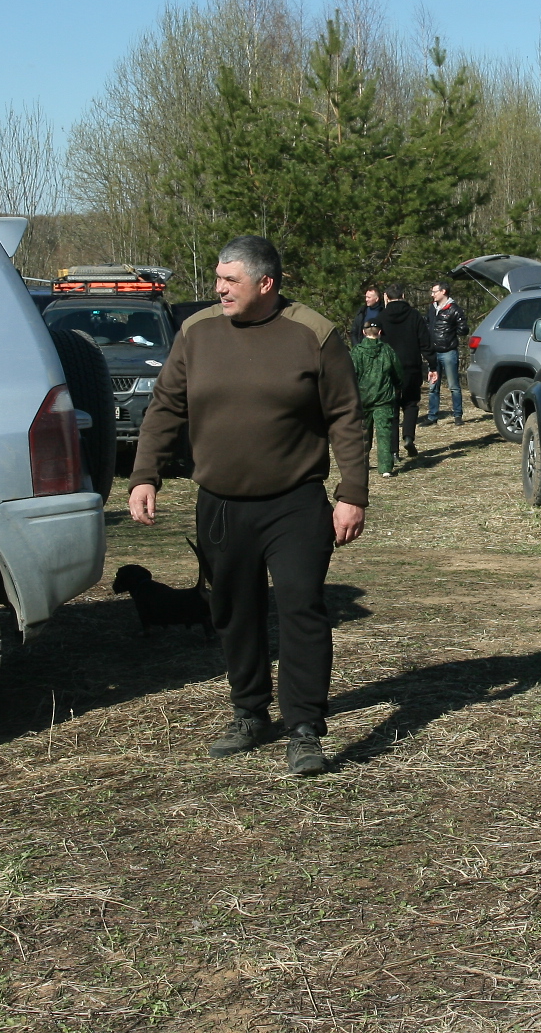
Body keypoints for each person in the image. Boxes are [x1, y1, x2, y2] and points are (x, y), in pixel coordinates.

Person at [128, 235, 368, 777]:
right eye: (218, 278)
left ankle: (304, 727)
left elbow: (345, 417)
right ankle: (250, 712)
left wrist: (352, 493)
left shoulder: (313, 333)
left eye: (229, 280)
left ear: (266, 283)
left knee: (302, 607)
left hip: (295, 502)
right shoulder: (197, 332)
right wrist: (145, 474)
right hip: (220, 505)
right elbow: (165, 406)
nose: (218, 289)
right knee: (234, 612)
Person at [376, 284, 430, 459]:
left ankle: (393, 451)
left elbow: (375, 343)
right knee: (411, 403)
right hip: (411, 366)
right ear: (404, 296)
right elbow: (425, 342)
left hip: (389, 369)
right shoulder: (415, 316)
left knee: (391, 408)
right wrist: (433, 365)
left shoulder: (381, 317)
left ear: (386, 297)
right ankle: (408, 437)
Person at [350, 319, 404, 477]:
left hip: (362, 398)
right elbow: (398, 372)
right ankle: (385, 467)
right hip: (384, 398)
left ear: (363, 332)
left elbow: (350, 375)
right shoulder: (387, 350)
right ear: (380, 332)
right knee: (384, 432)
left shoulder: (356, 352)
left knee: (362, 433)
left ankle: (361, 465)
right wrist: (398, 386)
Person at [421, 280, 468, 427]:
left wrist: (452, 332)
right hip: (433, 353)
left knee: (453, 386)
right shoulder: (432, 308)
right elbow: (427, 323)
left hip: (448, 352)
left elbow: (463, 329)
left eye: (434, 291)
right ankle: (432, 416)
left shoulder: (454, 309)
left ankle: (458, 415)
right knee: (433, 386)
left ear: (443, 291)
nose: (432, 294)